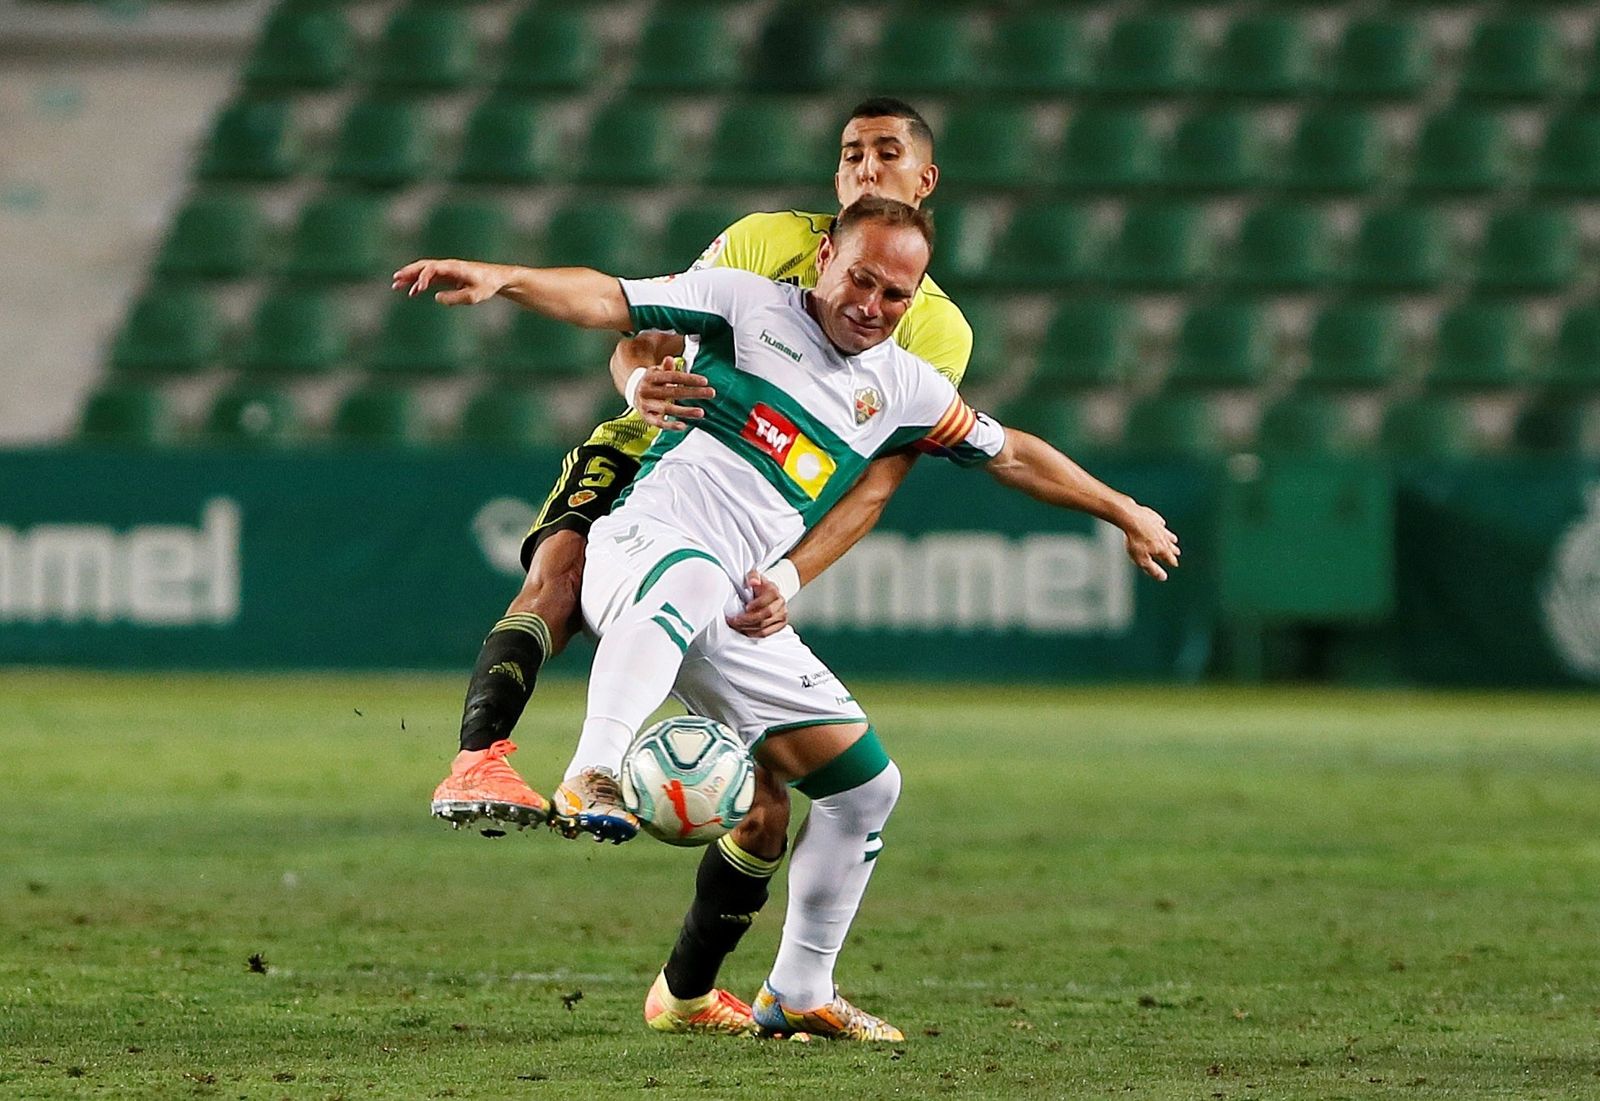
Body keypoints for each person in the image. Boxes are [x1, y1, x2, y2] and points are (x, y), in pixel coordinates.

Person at [393, 197, 1181, 1041]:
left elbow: (1013, 452)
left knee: (866, 788)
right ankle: (593, 771)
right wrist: (508, 278)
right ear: (825, 258)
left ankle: (799, 988)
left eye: (896, 294)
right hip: (642, 545)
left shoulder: (906, 387)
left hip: (731, 602)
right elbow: (610, 299)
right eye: (861, 279)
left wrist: (1123, 508)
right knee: (692, 576)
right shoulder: (745, 303)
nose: (872, 306)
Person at [429, 98, 966, 836]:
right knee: (559, 579)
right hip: (644, 446)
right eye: (851, 154)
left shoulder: (938, 331)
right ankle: (479, 760)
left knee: (769, 800)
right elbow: (640, 331)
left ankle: (688, 896)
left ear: (926, 179)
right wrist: (634, 385)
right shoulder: (762, 239)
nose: (866, 168)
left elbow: (874, 486)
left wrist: (790, 577)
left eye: (886, 153)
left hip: (741, 509)